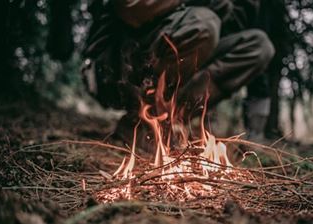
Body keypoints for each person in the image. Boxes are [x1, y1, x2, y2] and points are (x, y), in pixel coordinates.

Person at [82, 0, 275, 144]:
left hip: (165, 52)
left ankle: (159, 122)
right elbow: (131, 7)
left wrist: (256, 128)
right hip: (114, 67)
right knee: (204, 23)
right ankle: (142, 119)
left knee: (258, 46)